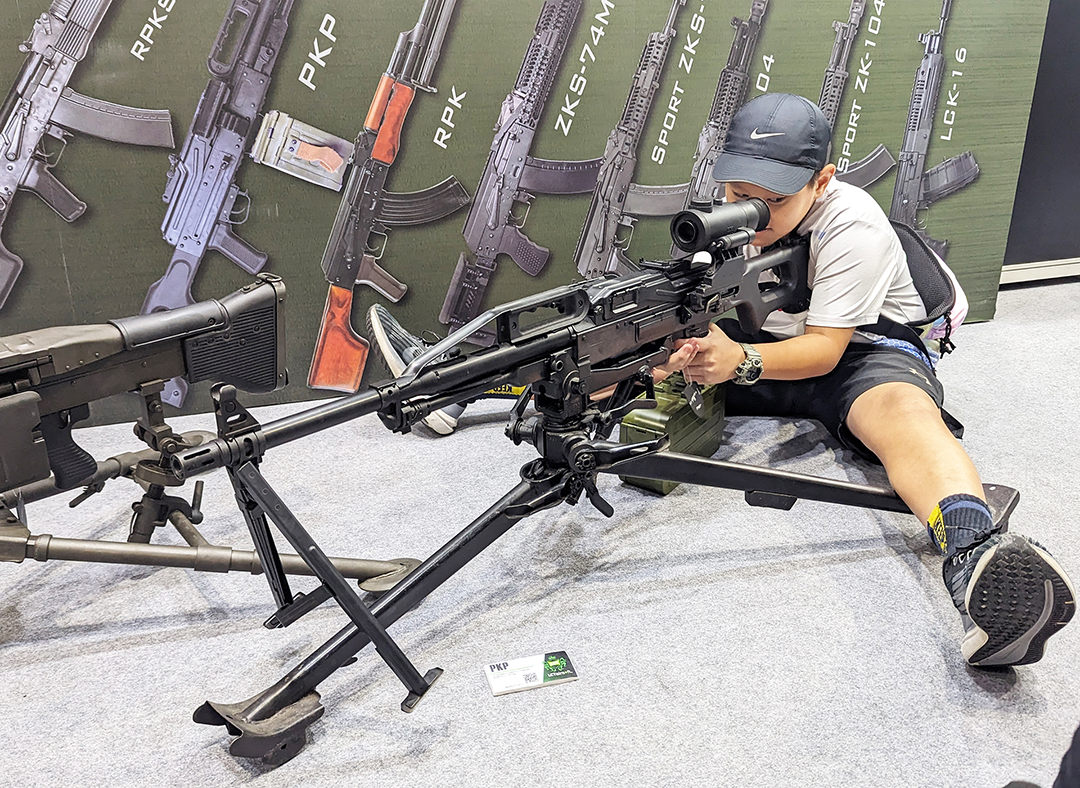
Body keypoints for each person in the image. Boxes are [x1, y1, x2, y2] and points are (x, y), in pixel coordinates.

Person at [368, 92, 1074, 667]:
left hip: (861, 351)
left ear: (823, 180)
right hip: (758, 341)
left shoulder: (854, 226)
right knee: (614, 349)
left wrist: (739, 362)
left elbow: (826, 350)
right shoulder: (730, 218)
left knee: (900, 416)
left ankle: (975, 556)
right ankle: (451, 384)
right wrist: (672, 342)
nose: (748, 210)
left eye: (771, 199)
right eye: (736, 192)